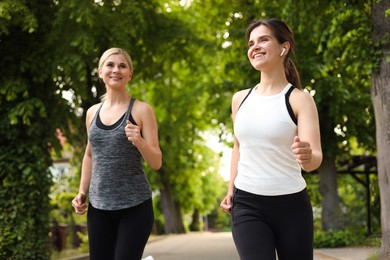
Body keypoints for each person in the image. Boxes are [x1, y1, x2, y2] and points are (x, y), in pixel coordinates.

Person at [220, 18, 322, 260]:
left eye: (263, 39)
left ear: (283, 47)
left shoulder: (299, 100)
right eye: (251, 43)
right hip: (247, 203)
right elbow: (238, 146)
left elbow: (314, 159)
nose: (254, 46)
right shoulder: (240, 99)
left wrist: (306, 156)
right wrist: (231, 188)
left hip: (291, 205)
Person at [72, 47, 162, 260]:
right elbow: (90, 155)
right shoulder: (92, 113)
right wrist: (82, 191)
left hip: (135, 207)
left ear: (130, 73)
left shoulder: (141, 110)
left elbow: (156, 161)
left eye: (122, 66)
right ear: (100, 71)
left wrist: (139, 141)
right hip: (99, 207)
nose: (116, 70)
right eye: (110, 65)